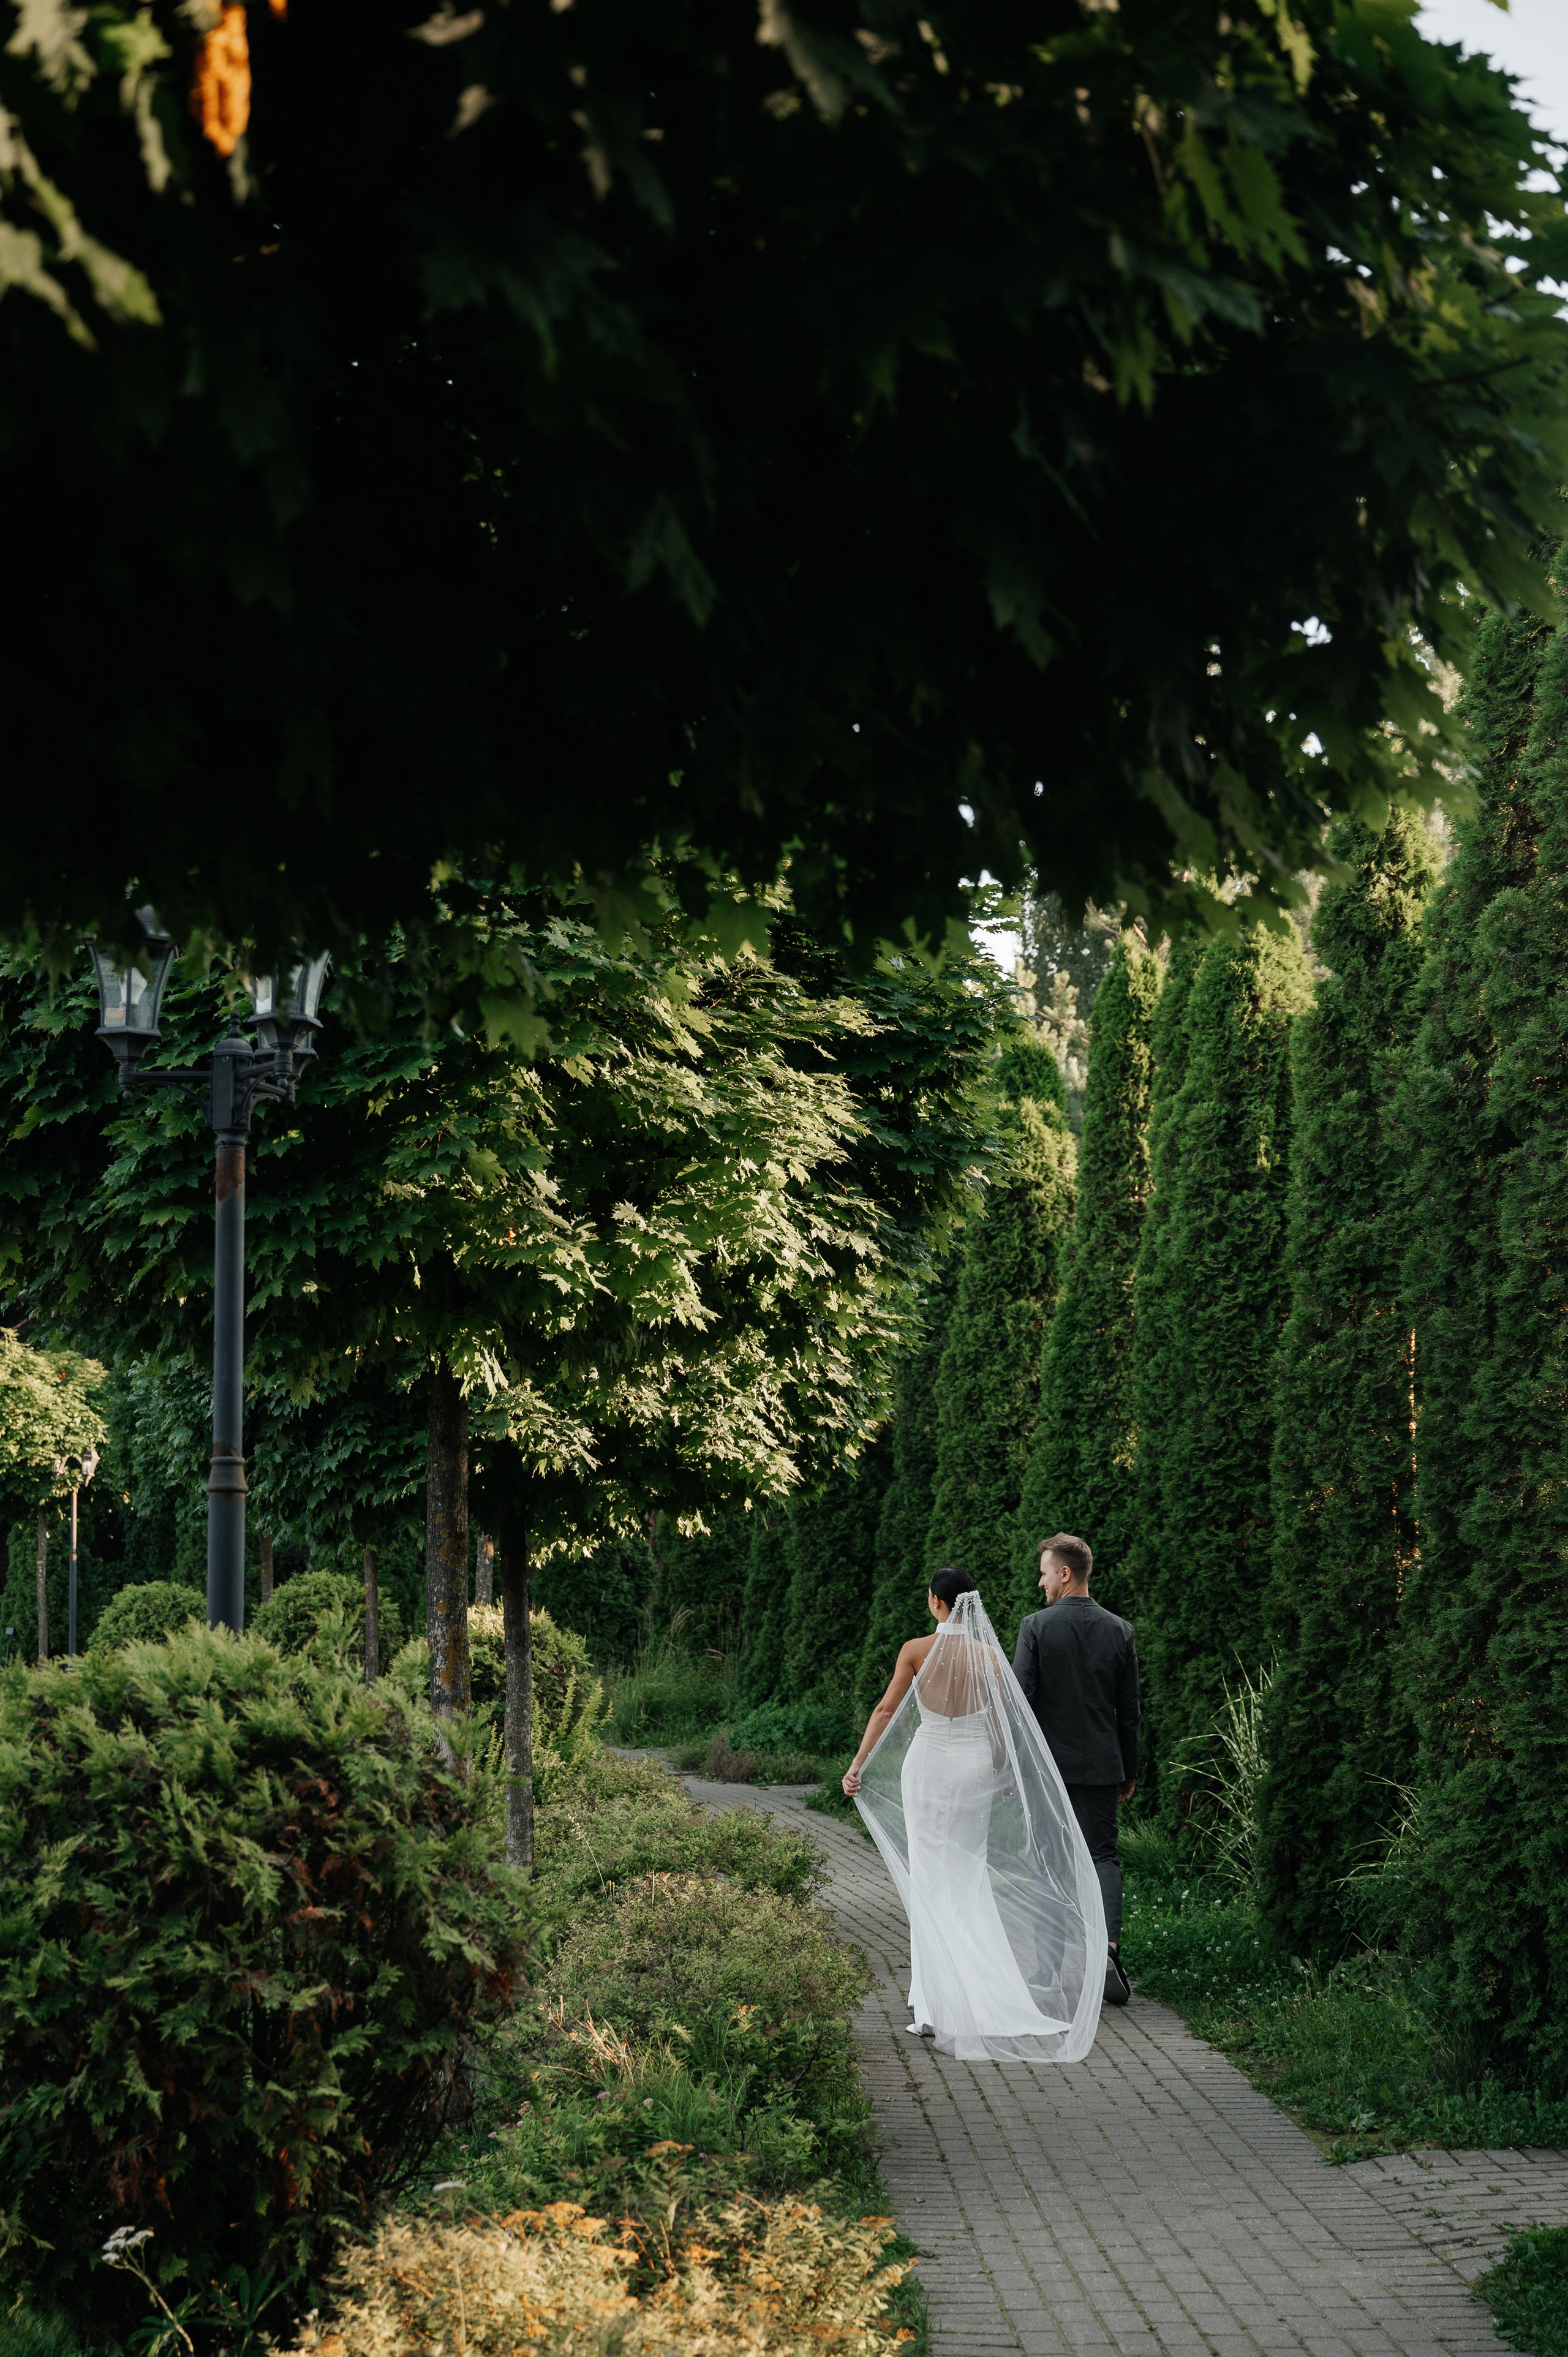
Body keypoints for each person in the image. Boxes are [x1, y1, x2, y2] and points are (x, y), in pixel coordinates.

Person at [840, 1566, 1106, 2062]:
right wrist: (1003, 1774)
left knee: (929, 1880)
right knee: (967, 1878)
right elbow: (1004, 1724)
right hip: (973, 1768)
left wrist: (858, 1766)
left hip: (926, 1768)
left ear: (937, 1603)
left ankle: (933, 2005)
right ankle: (980, 1997)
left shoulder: (916, 1651)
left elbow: (883, 1711)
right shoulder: (988, 1656)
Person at [1012, 1531, 1139, 2006]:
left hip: (1049, 1770)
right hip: (1103, 1765)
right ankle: (1107, 1947)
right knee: (1102, 1857)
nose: (1040, 1581)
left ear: (1065, 1573)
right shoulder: (1119, 1629)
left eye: (1044, 1572)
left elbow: (1020, 1703)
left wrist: (1014, 1768)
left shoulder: (1036, 1627)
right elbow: (1129, 1711)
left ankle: (1046, 1973)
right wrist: (1129, 1767)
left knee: (1047, 1865)